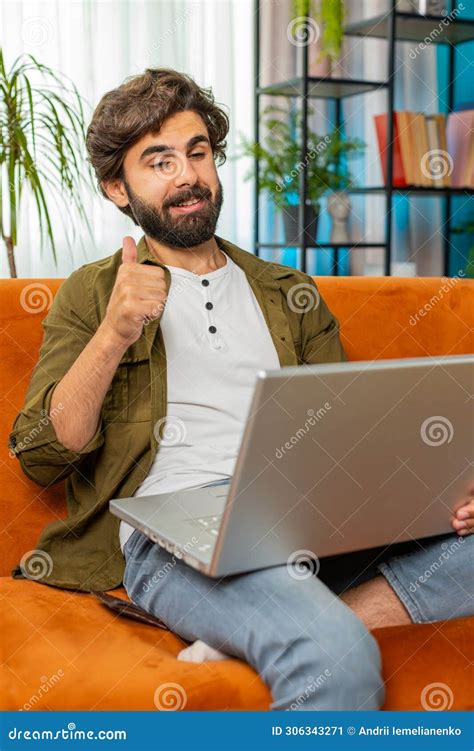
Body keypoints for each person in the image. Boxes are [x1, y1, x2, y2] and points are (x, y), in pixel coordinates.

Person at [9, 68, 473, 712]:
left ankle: (272, 627)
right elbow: (42, 454)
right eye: (159, 161)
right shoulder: (92, 294)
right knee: (336, 663)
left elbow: (350, 437)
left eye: (197, 153)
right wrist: (114, 333)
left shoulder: (290, 292)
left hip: (305, 517)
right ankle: (303, 629)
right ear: (117, 188)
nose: (186, 176)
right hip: (179, 529)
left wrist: (438, 492)